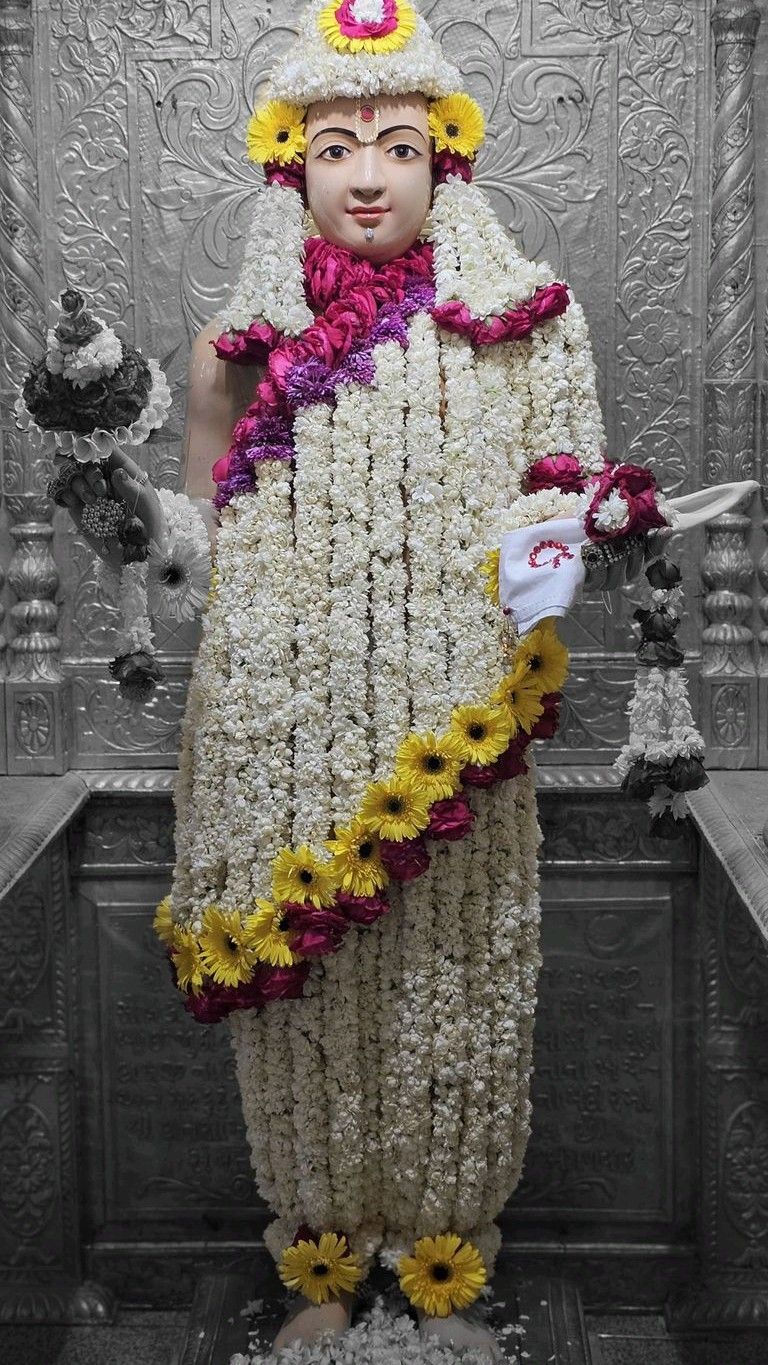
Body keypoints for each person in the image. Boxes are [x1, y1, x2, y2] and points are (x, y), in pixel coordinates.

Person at [53, 3, 755, 1359]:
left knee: (463, 982)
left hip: (457, 725)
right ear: (289, 165)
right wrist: (125, 515)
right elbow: (195, 553)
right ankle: (319, 1252)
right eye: (334, 146)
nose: (366, 172)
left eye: (396, 143)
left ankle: (442, 1259)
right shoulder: (234, 349)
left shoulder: (530, 328)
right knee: (303, 1009)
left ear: (445, 161)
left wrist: (586, 535)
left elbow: (550, 548)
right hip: (273, 737)